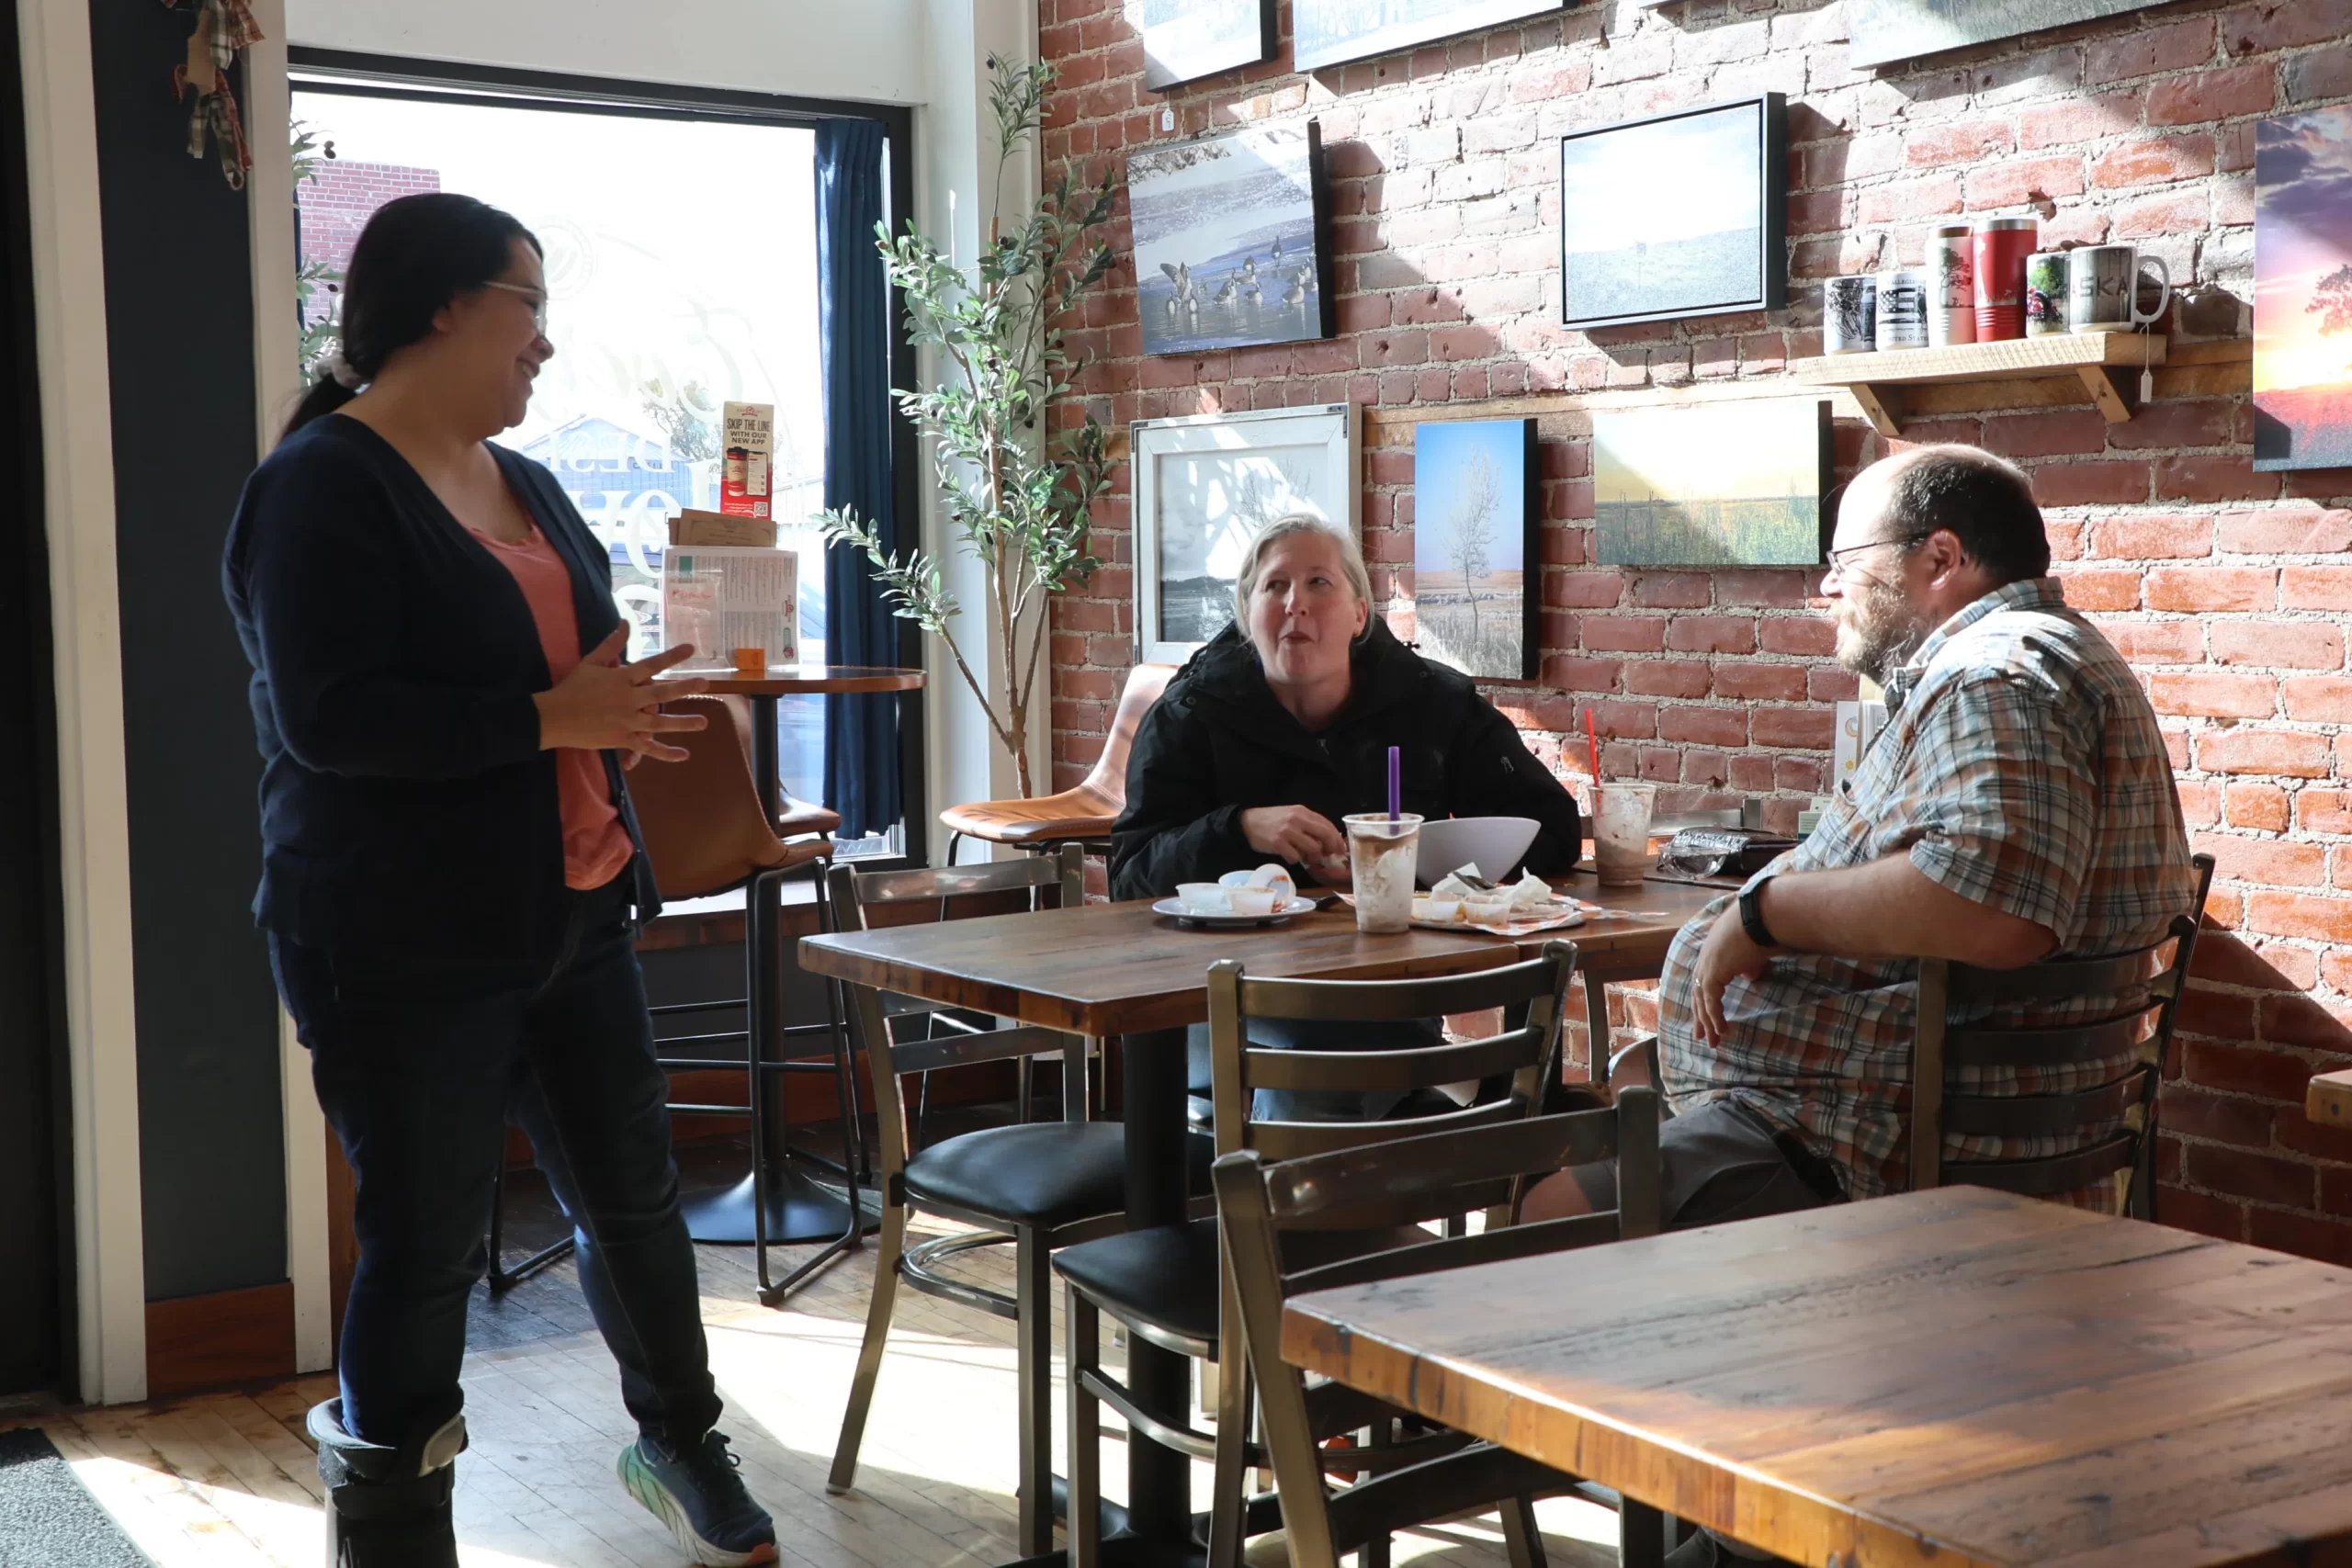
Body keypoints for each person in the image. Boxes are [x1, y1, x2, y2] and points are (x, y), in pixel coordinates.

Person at [221, 194, 776, 1568]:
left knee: (633, 1198)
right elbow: (329, 718)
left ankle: (680, 1440)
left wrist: (617, 714)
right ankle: (395, 1525)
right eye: (528, 304)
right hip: (401, 941)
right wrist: (553, 719)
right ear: (442, 305)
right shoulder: (320, 486)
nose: (545, 343)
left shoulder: (524, 481)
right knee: (420, 1245)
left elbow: (574, 670)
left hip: (570, 912)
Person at [1526, 444, 2196, 1252]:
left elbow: (1994, 906)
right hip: (1863, 1119)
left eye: (1846, 559)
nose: (1828, 586)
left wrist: (1764, 913)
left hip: (1867, 1155)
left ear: (1940, 557)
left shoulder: (1996, 676)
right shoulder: (2047, 657)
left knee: (1546, 1211)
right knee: (1619, 1089)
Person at [1111, 513, 1584, 1118]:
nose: (1295, 605)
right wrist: (1238, 827)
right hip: (1219, 1003)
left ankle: (1475, 1176)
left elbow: (1551, 828)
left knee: (1529, 1104)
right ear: (1246, 613)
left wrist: (1407, 863)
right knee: (1331, 1080)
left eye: (1319, 584)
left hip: (1389, 998)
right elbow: (1130, 872)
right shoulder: (1192, 710)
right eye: (1274, 586)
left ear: (1361, 613)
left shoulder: (1431, 702)